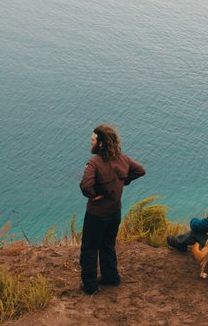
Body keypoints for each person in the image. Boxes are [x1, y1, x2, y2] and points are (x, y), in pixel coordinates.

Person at [79, 124, 146, 294]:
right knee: (108, 246)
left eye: (93, 140)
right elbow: (140, 171)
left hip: (96, 214)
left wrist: (94, 195)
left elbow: (85, 186)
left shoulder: (94, 163)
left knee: (89, 249)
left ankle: (90, 286)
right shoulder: (123, 159)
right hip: (114, 212)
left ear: (101, 144)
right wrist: (123, 180)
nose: (90, 142)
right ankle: (111, 278)